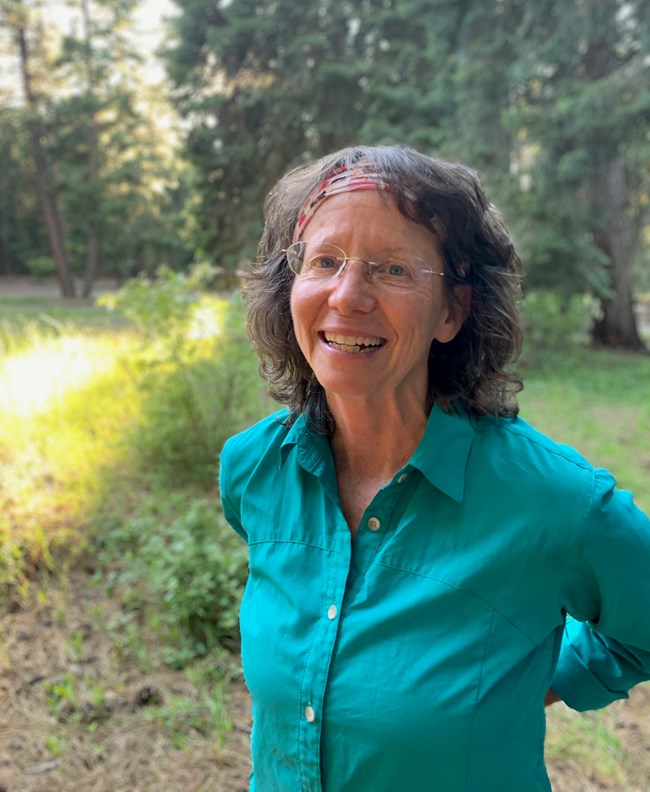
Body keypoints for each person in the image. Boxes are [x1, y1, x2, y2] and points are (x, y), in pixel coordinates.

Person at [218, 145, 650, 791]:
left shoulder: (553, 501)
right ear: (291, 287)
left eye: (393, 268)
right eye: (325, 261)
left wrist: (528, 682)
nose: (348, 294)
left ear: (452, 310)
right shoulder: (255, 469)